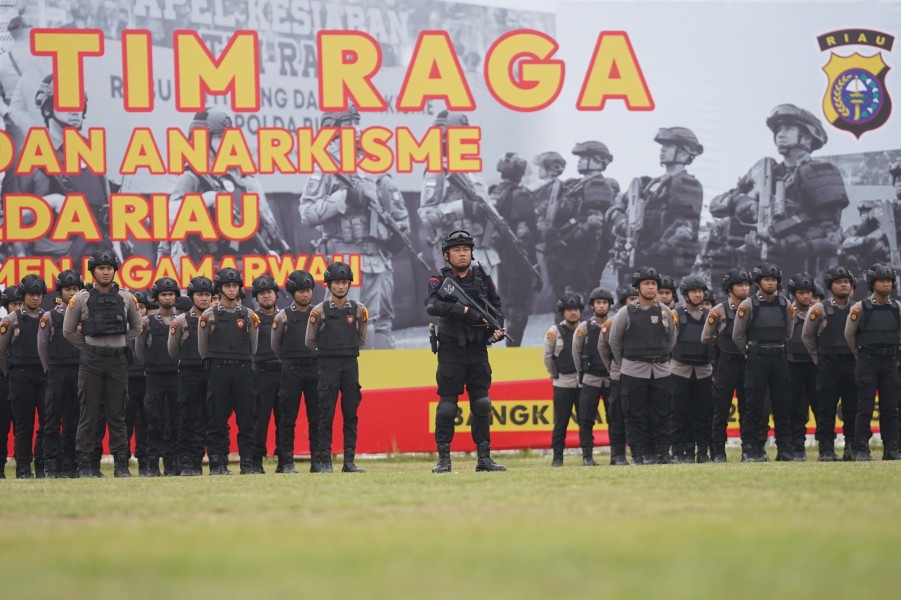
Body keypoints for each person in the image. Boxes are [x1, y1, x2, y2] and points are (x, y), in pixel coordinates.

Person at [299, 105, 409, 349]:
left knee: (378, 324)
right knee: (345, 322)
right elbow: (306, 213)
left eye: (357, 123)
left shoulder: (373, 164)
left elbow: (397, 212)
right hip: (345, 257)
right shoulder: (325, 167)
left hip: (377, 257)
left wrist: (395, 234)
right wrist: (343, 199)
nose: (356, 129)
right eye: (350, 124)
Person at [159, 108, 287, 264]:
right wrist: (206, 200)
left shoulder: (242, 181)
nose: (225, 142)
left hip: (242, 266)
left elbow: (267, 222)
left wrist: (271, 252)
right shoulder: (190, 178)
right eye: (219, 137)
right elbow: (168, 220)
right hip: (203, 269)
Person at [424, 230, 507, 473]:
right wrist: (461, 311)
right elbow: (431, 306)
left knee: (482, 403)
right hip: (451, 349)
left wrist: (497, 329)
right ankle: (444, 459)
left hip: (478, 348)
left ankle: (484, 458)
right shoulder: (438, 280)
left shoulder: (484, 278)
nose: (462, 254)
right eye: (457, 250)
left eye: (466, 249)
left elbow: (497, 308)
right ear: (446, 255)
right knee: (448, 405)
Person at [63, 249, 143, 477]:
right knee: (88, 414)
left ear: (115, 271)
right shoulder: (80, 298)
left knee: (118, 415)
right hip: (91, 363)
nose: (106, 272)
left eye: (109, 268)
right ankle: (87, 466)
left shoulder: (127, 298)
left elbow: (137, 328)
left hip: (118, 362)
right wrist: (89, 347)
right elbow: (68, 331)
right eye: (101, 268)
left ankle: (121, 466)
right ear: (93, 271)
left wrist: (118, 343)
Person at [611, 127, 704, 284]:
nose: (662, 151)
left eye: (668, 147)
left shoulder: (687, 184)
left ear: (684, 152)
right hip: (639, 260)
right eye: (662, 146)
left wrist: (646, 255)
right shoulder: (653, 183)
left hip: (662, 265)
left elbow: (682, 230)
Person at [608, 266, 678, 464]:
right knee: (635, 414)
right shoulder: (626, 312)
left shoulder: (665, 311)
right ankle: (639, 454)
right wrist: (626, 363)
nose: (651, 287)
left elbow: (671, 337)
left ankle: (663, 452)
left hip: (661, 370)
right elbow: (614, 341)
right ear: (637, 287)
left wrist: (662, 356)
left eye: (654, 284)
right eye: (646, 283)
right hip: (634, 370)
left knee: (663, 413)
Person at [419, 111, 501, 278]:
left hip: (485, 253)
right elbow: (427, 216)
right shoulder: (438, 170)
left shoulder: (472, 172)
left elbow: (488, 208)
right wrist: (463, 208)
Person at [305, 262, 368, 473]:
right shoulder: (318, 310)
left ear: (349, 284)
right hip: (328, 365)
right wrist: (328, 352)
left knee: (351, 413)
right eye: (337, 283)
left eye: (344, 282)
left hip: (350, 364)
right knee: (326, 414)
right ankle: (325, 461)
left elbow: (361, 338)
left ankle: (349, 461)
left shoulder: (358, 309)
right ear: (329, 284)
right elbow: (310, 341)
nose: (341, 286)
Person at [198, 267, 260, 475]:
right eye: (227, 285)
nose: (232, 289)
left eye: (235, 285)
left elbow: (254, 344)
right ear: (220, 288)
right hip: (218, 370)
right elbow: (202, 347)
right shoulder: (209, 315)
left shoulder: (249, 315)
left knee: (247, 418)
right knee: (216, 418)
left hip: (243, 370)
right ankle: (217, 464)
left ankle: (248, 464)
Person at [731, 262, 794, 462]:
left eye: (773, 280)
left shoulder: (785, 304)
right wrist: (752, 351)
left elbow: (788, 333)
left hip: (779, 359)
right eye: (766, 279)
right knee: (753, 407)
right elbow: (738, 336)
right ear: (758, 282)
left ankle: (785, 449)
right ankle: (752, 449)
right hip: (757, 359)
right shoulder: (748, 304)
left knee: (783, 406)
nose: (770, 283)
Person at [844, 263, 901, 461]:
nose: (886, 284)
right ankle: (861, 449)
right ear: (872, 283)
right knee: (865, 407)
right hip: (867, 360)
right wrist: (862, 356)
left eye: (889, 281)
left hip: (889, 362)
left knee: (890, 408)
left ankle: (891, 449)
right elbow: (850, 336)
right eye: (881, 281)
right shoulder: (860, 308)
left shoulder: (897, 307)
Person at [802, 265, 857, 461]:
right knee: (826, 408)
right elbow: (807, 337)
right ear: (829, 286)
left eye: (846, 282)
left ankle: (852, 448)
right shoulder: (819, 308)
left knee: (852, 408)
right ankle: (826, 450)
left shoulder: (858, 308)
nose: (843, 285)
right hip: (828, 364)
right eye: (838, 282)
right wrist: (819, 359)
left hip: (852, 364)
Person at [272, 270, 321, 474]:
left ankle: (318, 461)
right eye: (301, 291)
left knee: (317, 418)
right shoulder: (283, 316)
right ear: (292, 292)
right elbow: (275, 345)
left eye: (309, 290)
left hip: (314, 369)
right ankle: (286, 462)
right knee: (287, 417)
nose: (306, 294)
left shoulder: (318, 313)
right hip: (290, 369)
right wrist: (288, 361)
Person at [701, 268, 752, 462]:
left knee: (748, 409)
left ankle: (748, 450)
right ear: (730, 289)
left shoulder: (753, 307)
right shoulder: (719, 310)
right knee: (720, 409)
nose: (744, 288)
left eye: (747, 284)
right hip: (726, 364)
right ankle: (718, 452)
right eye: (739, 285)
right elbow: (706, 337)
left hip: (748, 363)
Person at [37, 270, 84, 478]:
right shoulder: (50, 316)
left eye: (75, 289)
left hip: (80, 371)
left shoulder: (87, 314)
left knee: (75, 418)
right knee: (52, 418)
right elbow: (42, 347)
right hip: (56, 372)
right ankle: (50, 464)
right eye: (68, 289)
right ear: (60, 291)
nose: (72, 293)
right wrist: (50, 371)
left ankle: (71, 464)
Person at [0, 274, 47, 478]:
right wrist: (8, 373)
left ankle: (43, 465)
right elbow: (1, 350)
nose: (35, 298)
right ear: (24, 295)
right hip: (20, 376)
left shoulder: (48, 317)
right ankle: (23, 468)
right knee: (23, 424)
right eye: (30, 294)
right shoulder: (12, 319)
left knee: (48, 423)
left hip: (44, 377)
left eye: (38, 294)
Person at [489, 153, 539, 346]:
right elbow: (525, 232)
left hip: (494, 254)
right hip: (516, 257)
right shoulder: (521, 194)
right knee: (518, 306)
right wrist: (532, 263)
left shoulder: (493, 191)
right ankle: (513, 351)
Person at [167, 276, 214, 477]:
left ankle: (199, 461)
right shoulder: (180, 320)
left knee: (209, 419)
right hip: (189, 373)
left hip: (212, 373)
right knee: (187, 419)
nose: (204, 299)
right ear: (192, 296)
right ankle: (185, 463)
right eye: (199, 295)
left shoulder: (217, 317)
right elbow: (172, 350)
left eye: (207, 295)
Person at [135, 277, 181, 476]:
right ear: (157, 297)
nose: (168, 298)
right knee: (153, 421)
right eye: (164, 294)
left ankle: (172, 465)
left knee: (175, 422)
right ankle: (152, 466)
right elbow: (139, 349)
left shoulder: (182, 320)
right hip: (154, 377)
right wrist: (149, 367)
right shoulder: (146, 322)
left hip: (177, 377)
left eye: (171, 294)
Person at [670, 275, 714, 463]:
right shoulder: (675, 314)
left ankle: (702, 452)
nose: (698, 295)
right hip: (679, 370)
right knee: (679, 413)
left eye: (700, 291)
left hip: (704, 370)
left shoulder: (710, 315)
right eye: (694, 291)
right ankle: (681, 451)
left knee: (703, 413)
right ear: (685, 294)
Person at [572, 287, 615, 465]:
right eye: (598, 302)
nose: (602, 306)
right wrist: (581, 374)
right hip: (590, 378)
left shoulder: (615, 324)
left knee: (615, 418)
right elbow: (576, 352)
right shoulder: (584, 328)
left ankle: (616, 455)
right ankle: (587, 457)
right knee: (586, 419)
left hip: (611, 378)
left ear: (609, 305)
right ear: (592, 306)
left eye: (605, 302)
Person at [544, 294, 583, 466]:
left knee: (585, 422)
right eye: (569, 310)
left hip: (583, 383)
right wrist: (556, 375)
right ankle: (557, 458)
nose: (573, 313)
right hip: (562, 383)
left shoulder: (584, 329)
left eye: (576, 309)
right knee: (561, 422)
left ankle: (588, 456)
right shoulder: (554, 331)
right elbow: (547, 357)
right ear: (563, 312)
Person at [250, 275, 282, 474]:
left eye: (269, 292)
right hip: (260, 374)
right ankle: (255, 461)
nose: (266, 296)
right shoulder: (251, 318)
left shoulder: (285, 316)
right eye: (262, 293)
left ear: (276, 294)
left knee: (284, 420)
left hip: (285, 373)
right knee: (259, 421)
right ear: (256, 297)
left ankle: (285, 460)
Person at [785, 272, 818, 461]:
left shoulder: (818, 311)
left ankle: (826, 448)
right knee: (795, 408)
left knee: (821, 407)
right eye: (802, 292)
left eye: (809, 292)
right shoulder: (787, 311)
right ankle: (797, 447)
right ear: (794, 294)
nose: (806, 296)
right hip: (792, 365)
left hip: (815, 366)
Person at [0, 285, 23, 478]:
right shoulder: (4, 325)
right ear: (6, 306)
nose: (16, 307)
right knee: (1, 427)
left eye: (19, 303)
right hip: (3, 381)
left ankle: (23, 468)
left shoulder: (33, 323)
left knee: (22, 427)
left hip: (23, 381)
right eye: (13, 304)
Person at [128, 290, 150, 475]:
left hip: (147, 381)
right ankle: (122, 464)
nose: (138, 311)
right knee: (124, 424)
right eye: (135, 307)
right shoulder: (121, 328)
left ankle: (145, 463)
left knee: (146, 423)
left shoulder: (151, 326)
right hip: (125, 382)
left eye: (142, 307)